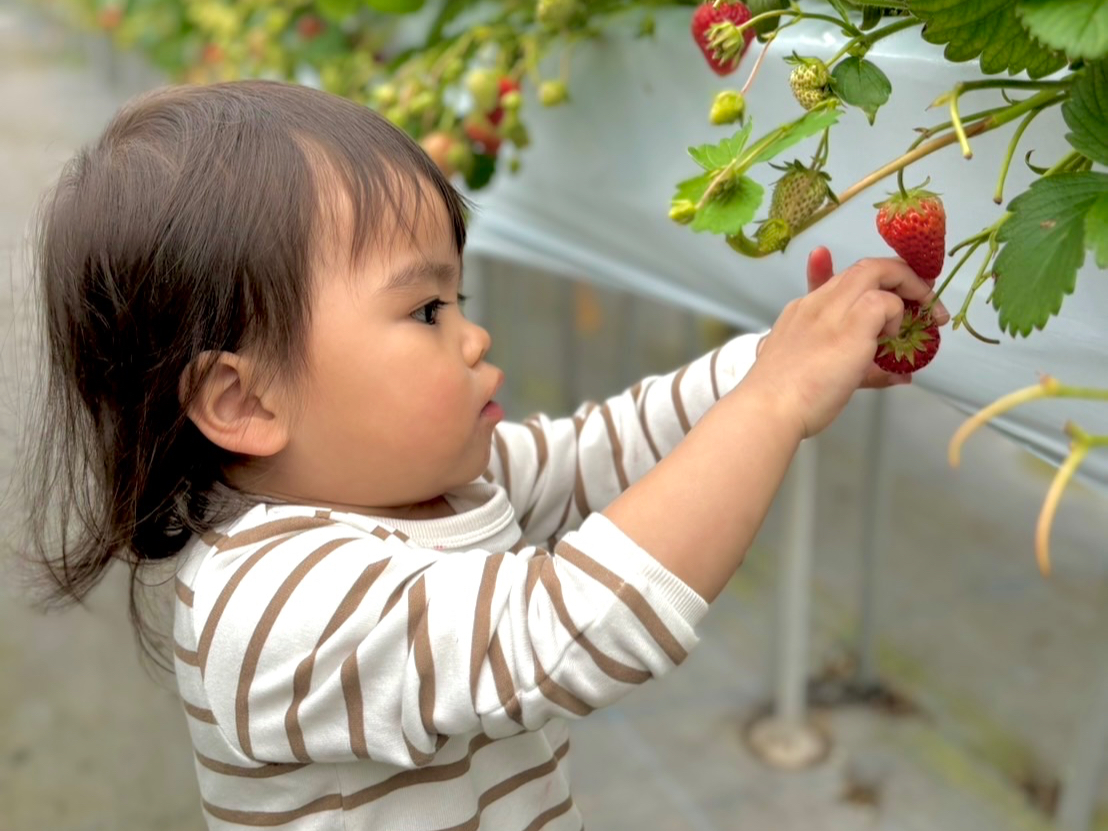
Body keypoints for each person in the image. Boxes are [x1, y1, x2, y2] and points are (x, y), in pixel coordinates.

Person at [23, 79, 945, 830]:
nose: (472, 336)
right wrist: (775, 399)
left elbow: (604, 448)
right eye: (427, 310)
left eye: (457, 298)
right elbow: (574, 624)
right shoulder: (270, 606)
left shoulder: (437, 483)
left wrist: (771, 355)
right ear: (244, 399)